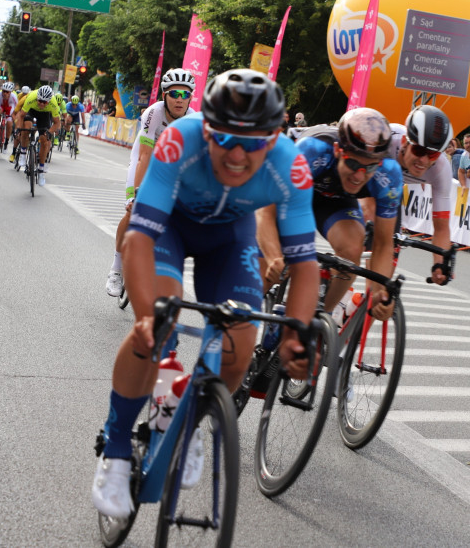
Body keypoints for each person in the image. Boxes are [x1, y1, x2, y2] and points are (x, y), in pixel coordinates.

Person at [91, 69, 318, 519]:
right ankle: (115, 452)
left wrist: (298, 334)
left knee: (239, 352)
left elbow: (305, 264)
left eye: (252, 143)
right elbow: (138, 238)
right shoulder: (180, 139)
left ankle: (188, 422)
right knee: (158, 331)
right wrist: (143, 317)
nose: (237, 154)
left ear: (272, 140)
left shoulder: (291, 165)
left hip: (230, 241)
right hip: (169, 229)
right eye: (224, 140)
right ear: (206, 129)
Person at [259, 107, 401, 320]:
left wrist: (380, 292)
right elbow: (266, 211)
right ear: (337, 150)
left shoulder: (389, 173)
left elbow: (382, 244)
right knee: (269, 273)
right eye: (353, 163)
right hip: (296, 197)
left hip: (336, 202)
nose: (359, 175)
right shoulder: (312, 151)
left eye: (370, 168)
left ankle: (319, 319)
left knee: (353, 251)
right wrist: (273, 256)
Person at [105, 68, 196, 297]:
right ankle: (116, 269)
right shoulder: (154, 113)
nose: (179, 99)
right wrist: (136, 193)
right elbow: (144, 156)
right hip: (146, 158)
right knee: (132, 211)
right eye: (174, 94)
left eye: (185, 95)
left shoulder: (193, 120)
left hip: (171, 164)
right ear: (164, 95)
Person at [378, 105, 456, 284]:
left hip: (391, 194)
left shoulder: (441, 169)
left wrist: (439, 265)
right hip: (366, 182)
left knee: (383, 282)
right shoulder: (388, 138)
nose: (424, 160)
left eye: (432, 154)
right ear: (405, 140)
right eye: (420, 150)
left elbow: (442, 227)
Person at [11, 85, 60, 185]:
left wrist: (49, 132)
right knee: (26, 128)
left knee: (44, 141)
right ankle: (23, 154)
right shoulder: (31, 97)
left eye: (44, 102)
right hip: (31, 111)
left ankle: (41, 171)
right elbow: (21, 115)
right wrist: (19, 128)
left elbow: (57, 123)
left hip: (45, 115)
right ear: (37, 98)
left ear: (49, 101)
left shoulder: (53, 103)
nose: (41, 104)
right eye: (40, 101)